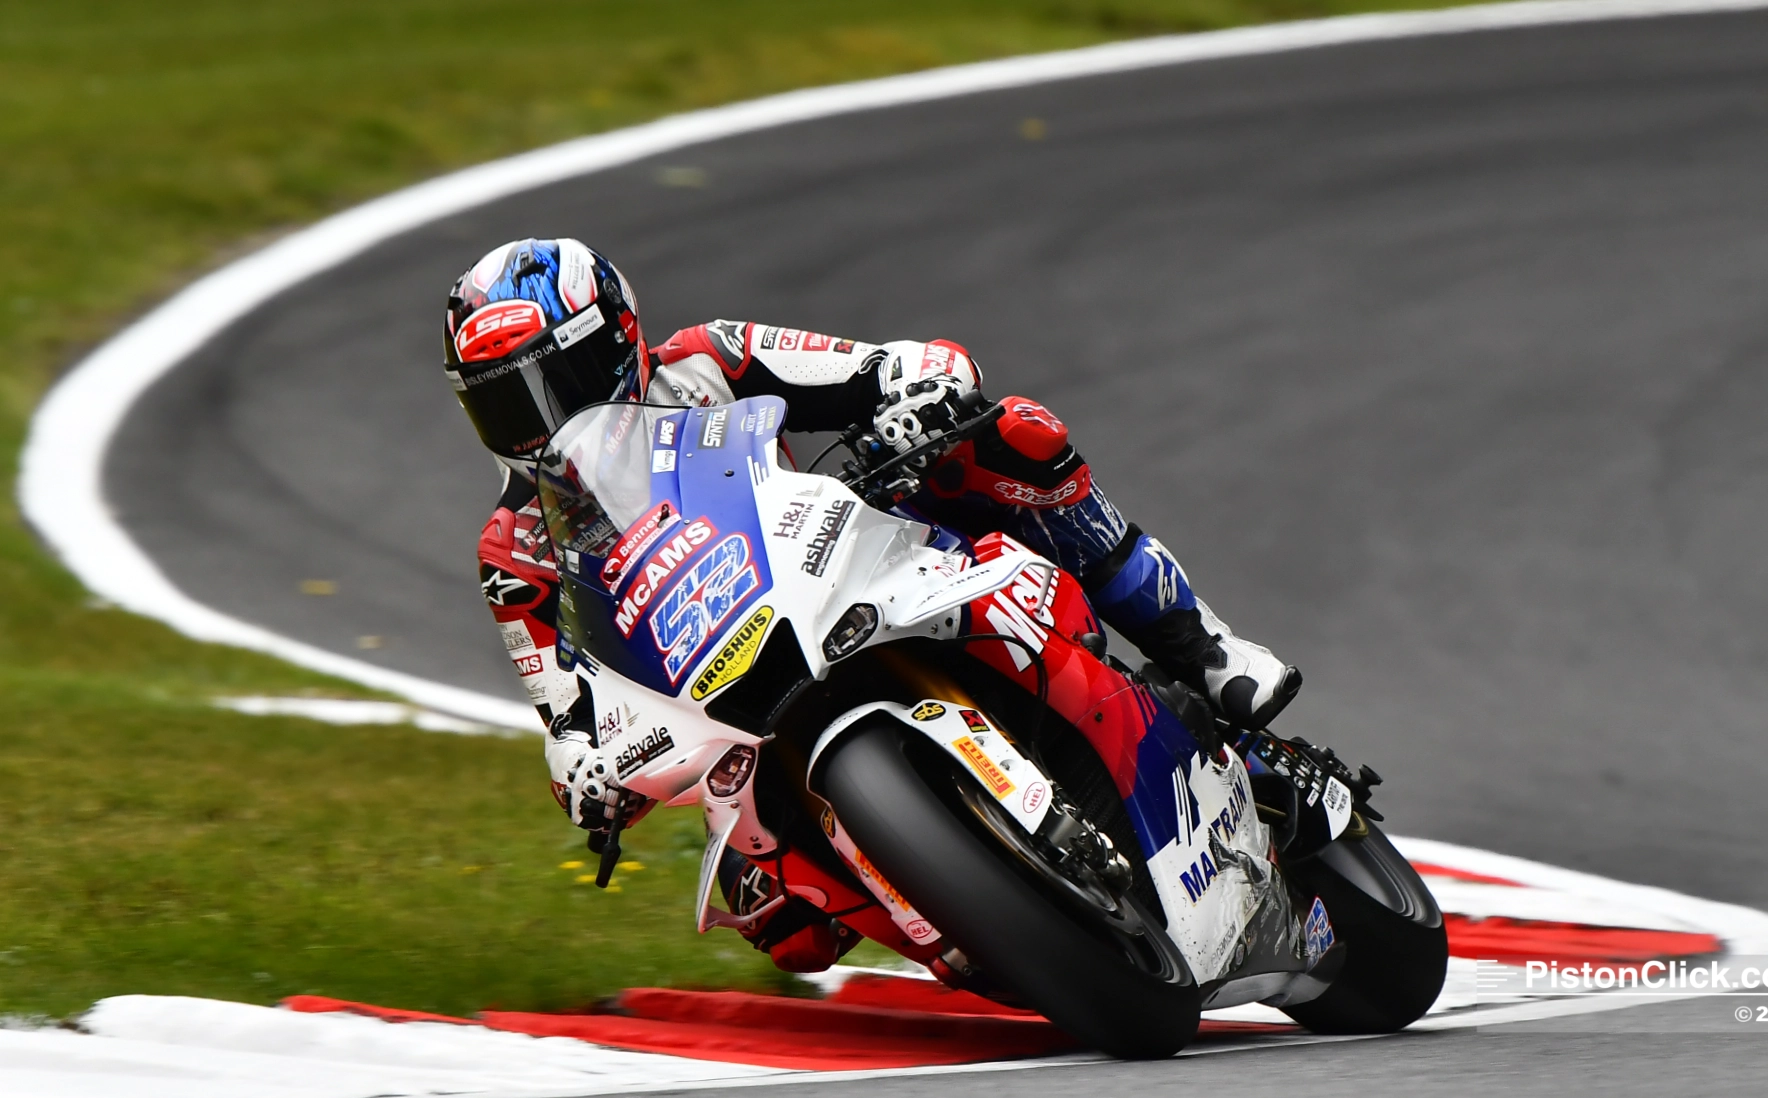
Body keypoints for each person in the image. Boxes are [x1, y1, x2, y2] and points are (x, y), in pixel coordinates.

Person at [444, 237, 1298, 971]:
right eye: (507, 403)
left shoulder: (709, 360)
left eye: (561, 382)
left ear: (621, 338)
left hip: (851, 564)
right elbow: (568, 722)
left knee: (1013, 437)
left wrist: (914, 385)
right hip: (724, 700)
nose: (541, 423)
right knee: (782, 930)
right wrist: (590, 776)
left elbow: (879, 366)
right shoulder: (514, 552)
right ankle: (972, 922)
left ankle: (1207, 649)